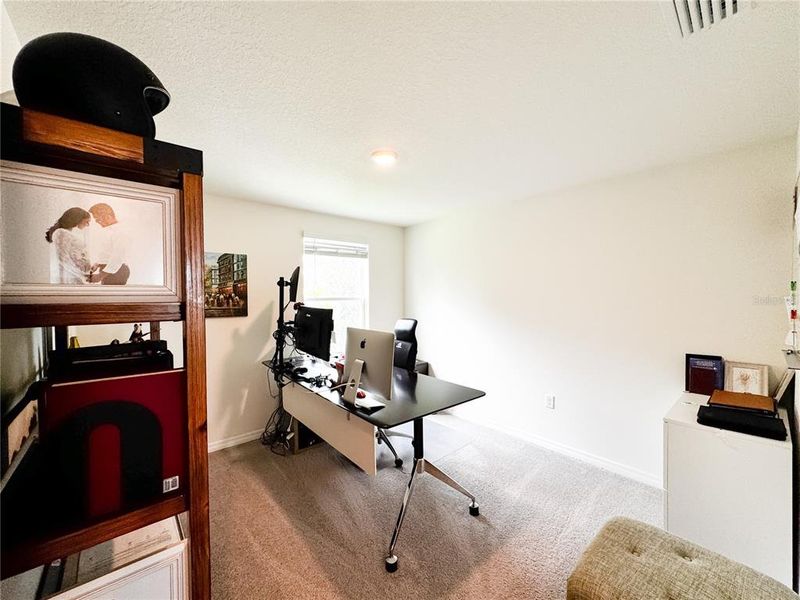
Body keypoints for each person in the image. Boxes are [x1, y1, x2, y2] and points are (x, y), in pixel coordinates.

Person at [45, 207, 91, 284]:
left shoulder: (67, 233)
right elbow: (63, 259)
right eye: (87, 222)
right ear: (77, 219)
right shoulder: (61, 233)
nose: (88, 225)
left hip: (75, 276)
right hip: (70, 277)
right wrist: (81, 275)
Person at [87, 203, 130, 285]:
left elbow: (117, 257)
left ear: (108, 216)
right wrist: (98, 263)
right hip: (109, 270)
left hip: (116, 272)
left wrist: (100, 276)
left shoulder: (120, 232)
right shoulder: (110, 231)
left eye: (97, 219)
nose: (96, 222)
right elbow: (109, 253)